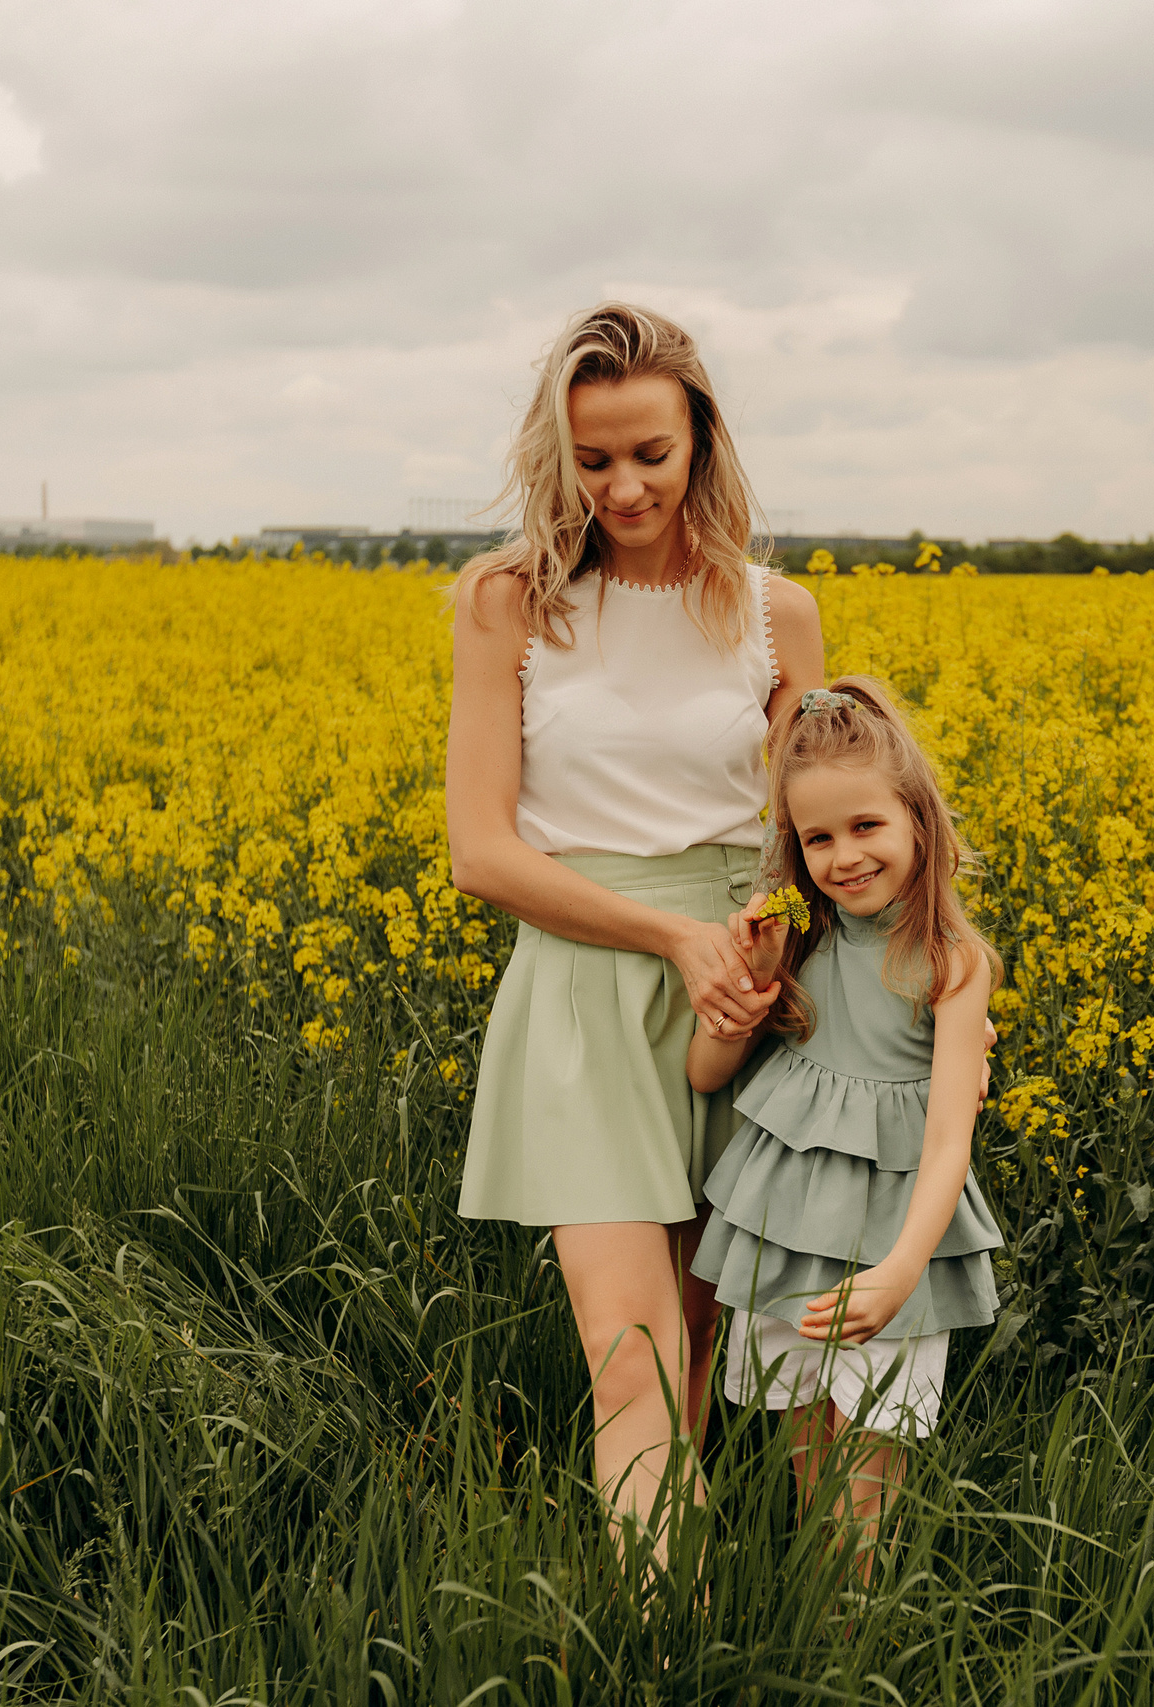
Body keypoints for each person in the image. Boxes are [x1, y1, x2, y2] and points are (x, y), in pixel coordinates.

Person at [446, 303, 825, 1560]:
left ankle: (697, 1630)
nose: (621, 486)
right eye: (591, 458)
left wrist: (760, 951)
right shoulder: (508, 602)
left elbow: (807, 829)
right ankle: (655, 1653)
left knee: (701, 1351)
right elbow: (481, 854)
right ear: (556, 454)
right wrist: (669, 942)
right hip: (589, 992)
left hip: (739, 998)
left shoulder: (779, 615)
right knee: (631, 1363)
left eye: (648, 455)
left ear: (700, 440)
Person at [685, 676, 1003, 1580]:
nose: (843, 856)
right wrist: (746, 984)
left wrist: (902, 1270)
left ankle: (851, 1635)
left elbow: (948, 1140)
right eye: (817, 838)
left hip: (890, 1244)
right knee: (809, 1464)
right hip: (786, 1231)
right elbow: (706, 1073)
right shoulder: (800, 940)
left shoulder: (949, 962)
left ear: (917, 820)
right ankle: (816, 1624)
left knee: (870, 1476)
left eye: (866, 827)